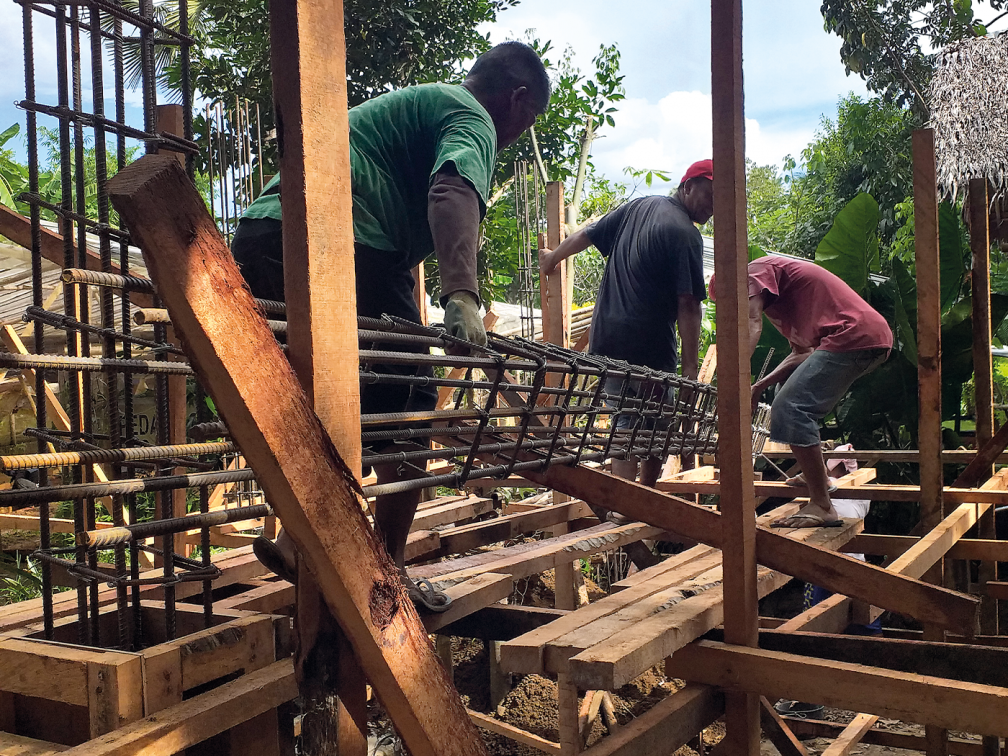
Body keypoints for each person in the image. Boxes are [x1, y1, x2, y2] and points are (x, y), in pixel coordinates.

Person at [236, 41, 551, 610]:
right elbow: (452, 191)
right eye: (527, 121)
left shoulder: (415, 112)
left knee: (319, 399)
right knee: (407, 399)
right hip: (338, 242)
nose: (515, 134)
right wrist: (461, 294)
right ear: (517, 97)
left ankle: (298, 541)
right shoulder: (470, 115)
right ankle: (386, 567)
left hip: (265, 237)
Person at [538, 160, 712, 534]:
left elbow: (587, 234)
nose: (710, 207)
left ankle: (622, 503)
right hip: (647, 342)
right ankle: (643, 498)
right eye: (708, 195)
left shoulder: (639, 206)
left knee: (625, 419)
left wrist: (553, 257)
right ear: (688, 186)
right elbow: (688, 305)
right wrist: (689, 368)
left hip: (607, 339)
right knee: (658, 423)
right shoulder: (685, 234)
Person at [710, 255, 892, 528]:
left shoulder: (752, 273)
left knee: (792, 407)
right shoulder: (779, 306)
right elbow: (802, 353)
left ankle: (822, 505)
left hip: (854, 335)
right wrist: (758, 388)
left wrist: (730, 382)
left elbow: (750, 323)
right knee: (789, 393)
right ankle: (816, 477)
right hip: (859, 338)